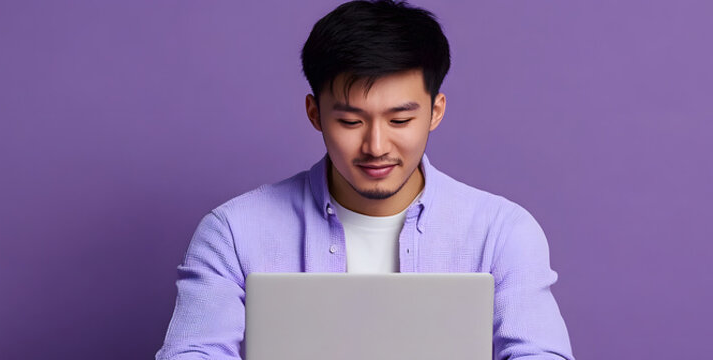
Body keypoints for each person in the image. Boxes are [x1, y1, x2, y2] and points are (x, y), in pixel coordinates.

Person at [155, 1, 574, 359]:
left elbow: (539, 352)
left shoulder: (502, 232)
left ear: (436, 111)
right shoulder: (232, 232)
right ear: (315, 113)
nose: (376, 145)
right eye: (351, 120)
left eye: (400, 119)